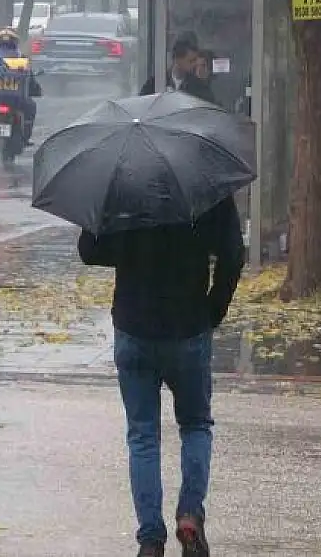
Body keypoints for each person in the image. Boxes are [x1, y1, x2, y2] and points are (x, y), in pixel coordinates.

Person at [77, 196, 244, 557]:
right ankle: (190, 515)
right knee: (196, 424)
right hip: (188, 326)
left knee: (142, 435)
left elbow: (89, 250)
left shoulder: (125, 183)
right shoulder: (205, 184)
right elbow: (233, 253)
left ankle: (151, 539)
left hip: (134, 327)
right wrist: (213, 309)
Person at [0, 27, 39, 142]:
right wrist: (36, 90)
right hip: (16, 100)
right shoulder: (22, 58)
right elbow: (31, 79)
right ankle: (26, 137)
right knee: (31, 107)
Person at [139, 38, 216, 103]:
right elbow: (143, 103)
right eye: (191, 61)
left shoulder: (199, 86)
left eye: (196, 60)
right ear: (177, 60)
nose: (195, 64)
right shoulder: (154, 84)